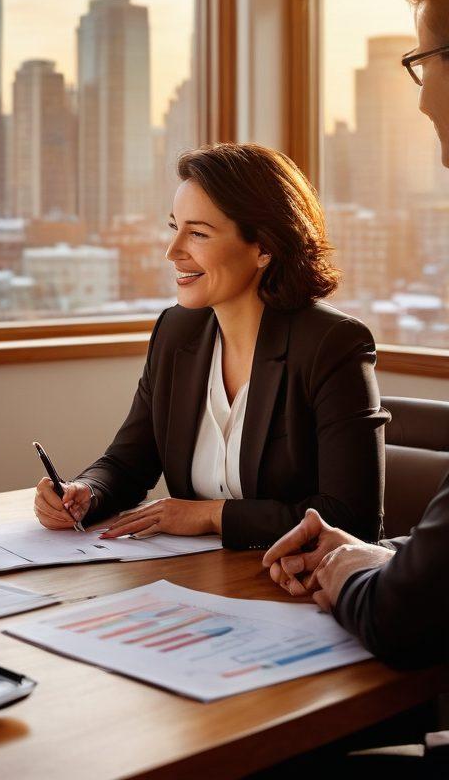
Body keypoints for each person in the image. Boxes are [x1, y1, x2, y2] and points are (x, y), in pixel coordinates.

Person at [34, 142, 388, 549]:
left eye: (198, 233)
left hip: (308, 588)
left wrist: (210, 515)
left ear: (264, 248)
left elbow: (351, 518)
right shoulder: (177, 331)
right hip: (203, 580)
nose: (173, 251)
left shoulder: (332, 344)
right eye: (174, 228)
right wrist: (84, 492)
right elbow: (128, 462)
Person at [264, 0, 449, 668]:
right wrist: (381, 558)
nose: (421, 94)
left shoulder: (332, 342)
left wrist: (352, 572)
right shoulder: (180, 337)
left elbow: (407, 619)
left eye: (421, 59)